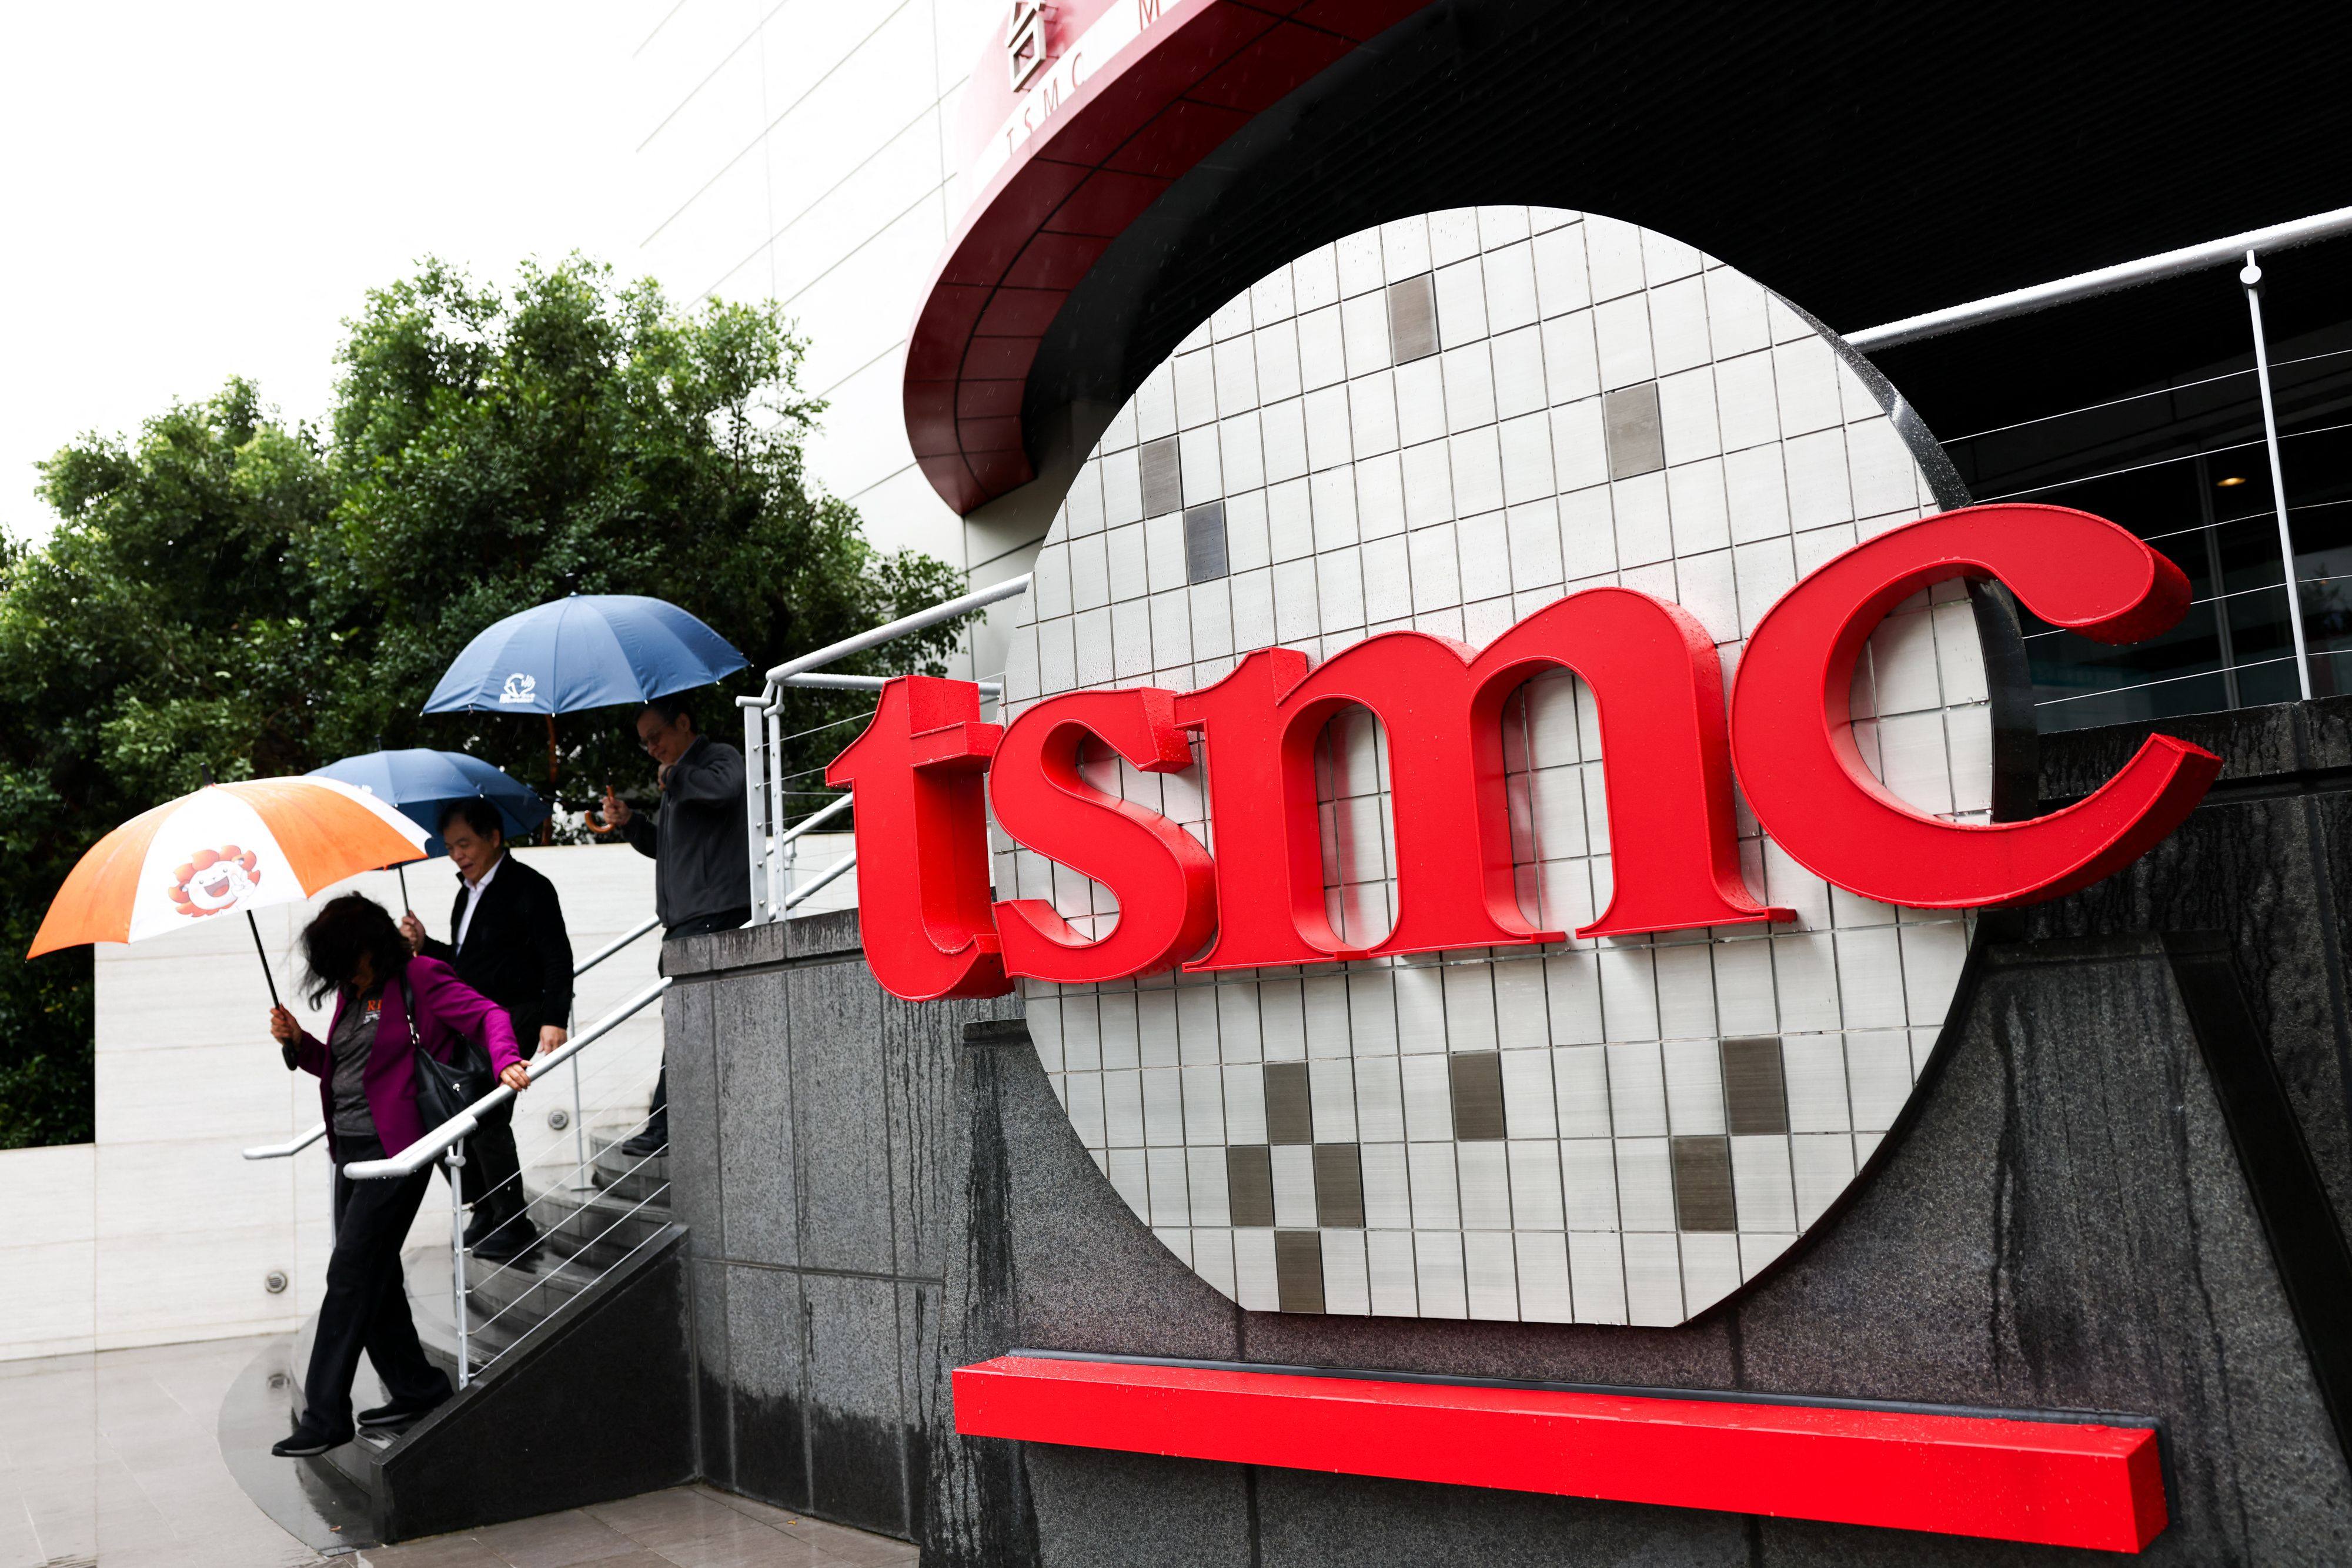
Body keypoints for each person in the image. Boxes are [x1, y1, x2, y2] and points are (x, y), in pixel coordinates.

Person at [267, 894, 530, 1456]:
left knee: (349, 1274)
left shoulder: (420, 976)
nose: (334, 970)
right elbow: (344, 1068)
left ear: (366, 946)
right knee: (376, 1277)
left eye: (340, 955)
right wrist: (300, 1044)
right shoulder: (352, 993)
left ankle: (325, 1415)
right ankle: (417, 1388)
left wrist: (506, 1058)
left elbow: (490, 1014)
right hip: (351, 1152)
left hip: (398, 1151)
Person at [399, 798, 574, 1263]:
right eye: (450, 847)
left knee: (487, 1115)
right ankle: (486, 1206)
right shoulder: (466, 894)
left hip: (517, 1015)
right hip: (472, 1019)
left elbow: (558, 957)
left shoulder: (530, 887)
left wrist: (555, 1018)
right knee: (449, 1112)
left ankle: (513, 1222)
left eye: (465, 843)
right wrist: (425, 944)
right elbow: (464, 965)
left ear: (494, 837)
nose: (457, 855)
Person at [596, 694, 750, 1156]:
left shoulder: (716, 758)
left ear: (684, 722)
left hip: (711, 915)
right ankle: (672, 1125)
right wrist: (631, 822)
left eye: (656, 737)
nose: (652, 749)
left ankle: (663, 1128)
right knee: (687, 1025)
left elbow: (728, 788)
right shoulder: (681, 778)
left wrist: (675, 776)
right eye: (645, 742)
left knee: (684, 1025)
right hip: (686, 920)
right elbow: (668, 848)